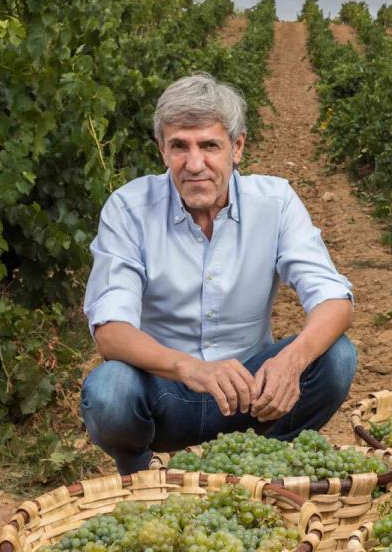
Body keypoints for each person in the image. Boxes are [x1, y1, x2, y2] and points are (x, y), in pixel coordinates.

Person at [80, 73, 357, 474]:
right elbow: (110, 330)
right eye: (179, 146)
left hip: (252, 394)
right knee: (109, 390)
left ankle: (262, 464)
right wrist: (190, 368)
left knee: (337, 356)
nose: (195, 164)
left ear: (237, 146)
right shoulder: (129, 209)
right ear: (162, 150)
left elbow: (334, 299)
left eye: (209, 145)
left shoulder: (275, 202)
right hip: (166, 394)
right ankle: (139, 472)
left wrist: (291, 362)